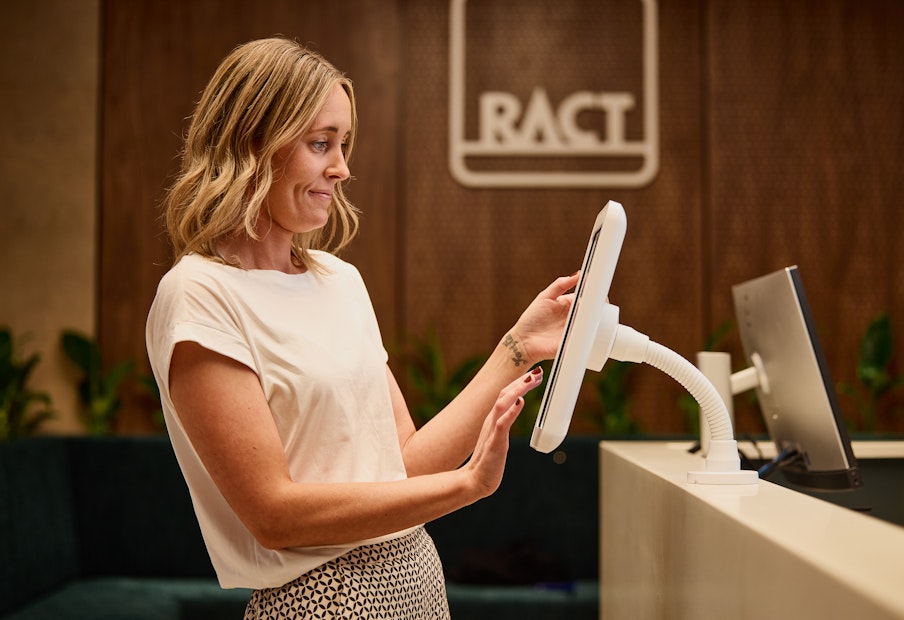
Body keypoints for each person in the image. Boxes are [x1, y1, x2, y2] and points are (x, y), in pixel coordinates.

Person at [145, 37, 579, 619]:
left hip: (418, 580)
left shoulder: (339, 279)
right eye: (320, 143)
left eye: (343, 144)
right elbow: (274, 515)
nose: (342, 168)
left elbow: (401, 463)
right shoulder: (199, 294)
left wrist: (520, 346)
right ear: (253, 144)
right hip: (319, 601)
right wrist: (468, 487)